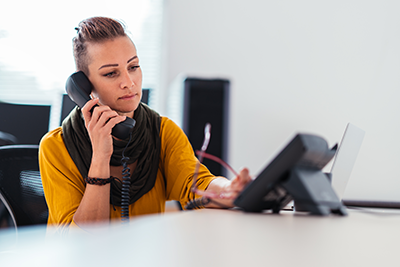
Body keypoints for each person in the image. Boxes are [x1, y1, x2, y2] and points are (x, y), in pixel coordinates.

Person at [39, 16, 251, 234]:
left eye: (133, 66)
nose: (129, 82)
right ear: (84, 87)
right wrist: (100, 157)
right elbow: (81, 241)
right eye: (111, 73)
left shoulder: (162, 131)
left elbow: (195, 184)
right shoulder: (56, 146)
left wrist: (229, 189)